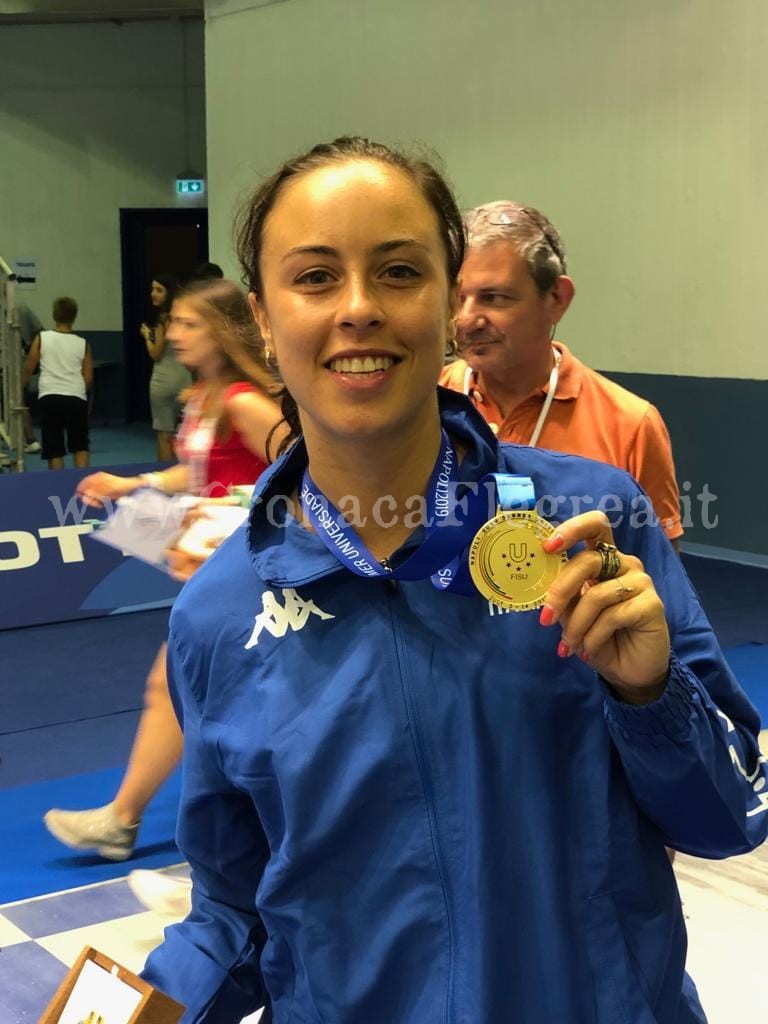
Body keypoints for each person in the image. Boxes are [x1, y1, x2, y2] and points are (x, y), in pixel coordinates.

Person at [139, 137, 766, 1024]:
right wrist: (133, 1010)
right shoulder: (218, 612)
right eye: (315, 277)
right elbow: (236, 912)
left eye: (399, 272)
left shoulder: (590, 526)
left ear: (447, 305)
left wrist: (650, 695)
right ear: (265, 323)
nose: (358, 309)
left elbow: (728, 814)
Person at [44, 278, 284, 862]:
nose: (173, 335)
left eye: (188, 324)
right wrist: (136, 483)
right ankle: (132, 819)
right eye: (174, 322)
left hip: (252, 573)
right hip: (217, 571)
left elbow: (303, 476)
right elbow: (194, 472)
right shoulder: (204, 397)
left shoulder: (244, 402)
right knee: (181, 685)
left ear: (224, 332)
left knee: (177, 683)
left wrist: (224, 507)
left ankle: (125, 820)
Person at [440, 201, 683, 545]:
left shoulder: (631, 426)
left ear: (556, 297)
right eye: (457, 298)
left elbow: (659, 574)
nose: (466, 320)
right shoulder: (424, 403)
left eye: (493, 298)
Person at [22, 296, 92, 470]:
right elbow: (88, 378)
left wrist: (19, 389)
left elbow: (28, 368)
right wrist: (76, 390)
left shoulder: (42, 338)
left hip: (50, 398)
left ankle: (57, 488)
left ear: (54, 315)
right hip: (76, 398)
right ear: (74, 317)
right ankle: (83, 488)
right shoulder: (83, 344)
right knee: (80, 445)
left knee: (54, 447)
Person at [142, 274, 193, 462]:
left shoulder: (163, 319)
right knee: (185, 433)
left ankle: (165, 477)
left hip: (163, 380)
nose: (153, 294)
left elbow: (156, 353)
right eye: (152, 289)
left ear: (168, 293)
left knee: (164, 434)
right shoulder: (183, 318)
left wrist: (147, 336)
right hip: (184, 379)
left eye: (158, 290)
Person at [18, 302, 43, 453]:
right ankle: (30, 439)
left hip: (12, 363)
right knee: (18, 401)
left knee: (17, 402)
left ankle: (30, 439)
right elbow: (40, 332)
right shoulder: (23, 309)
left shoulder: (22, 310)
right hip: (22, 362)